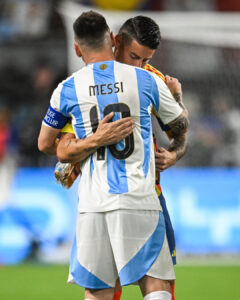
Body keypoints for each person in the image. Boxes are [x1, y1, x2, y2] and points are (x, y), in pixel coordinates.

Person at [40, 11, 188, 300]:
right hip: (134, 198)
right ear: (114, 40)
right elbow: (182, 122)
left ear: (77, 48)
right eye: (136, 57)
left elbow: (180, 135)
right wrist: (90, 146)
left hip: (125, 196)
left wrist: (174, 155)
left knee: (104, 288)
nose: (143, 65)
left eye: (147, 60)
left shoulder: (74, 87)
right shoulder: (145, 81)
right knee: (150, 283)